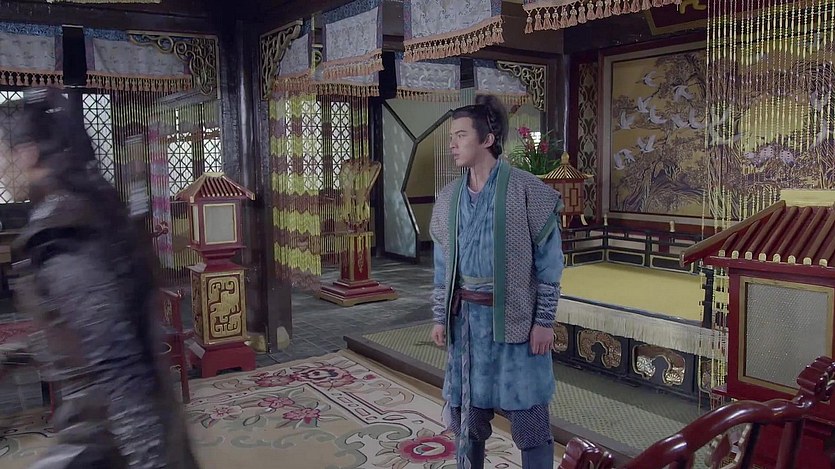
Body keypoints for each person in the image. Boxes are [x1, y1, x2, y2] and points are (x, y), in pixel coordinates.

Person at [0, 88, 199, 469]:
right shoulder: (84, 211)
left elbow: (118, 365)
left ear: (26, 153)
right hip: (115, 431)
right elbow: (79, 334)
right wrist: (16, 355)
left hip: (111, 440)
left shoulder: (63, 236)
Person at [429, 95, 563, 469]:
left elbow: (550, 265)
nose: (452, 144)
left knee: (529, 419)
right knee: (467, 418)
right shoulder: (449, 199)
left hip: (516, 322)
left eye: (460, 135)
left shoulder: (528, 190)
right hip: (467, 326)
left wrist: (544, 321)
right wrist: (440, 316)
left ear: (487, 139)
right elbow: (442, 267)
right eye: (451, 137)